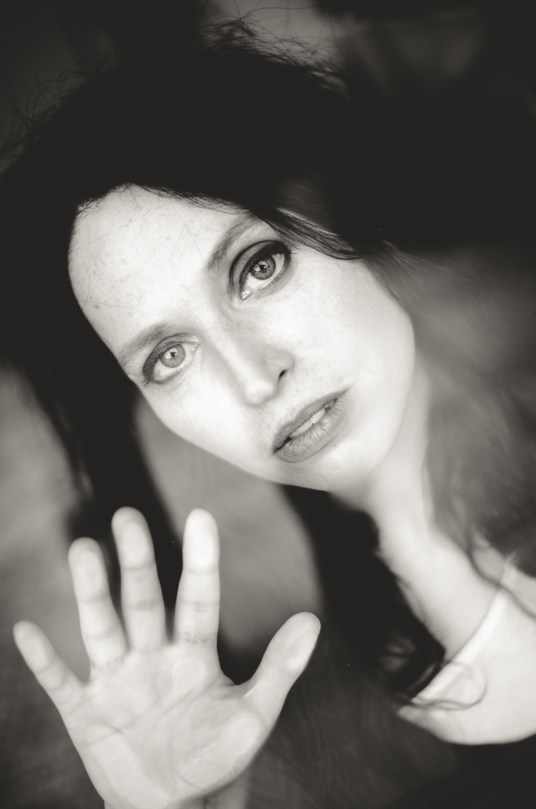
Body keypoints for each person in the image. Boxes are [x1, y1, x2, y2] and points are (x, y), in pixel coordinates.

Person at [3, 21, 536, 808]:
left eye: (259, 266)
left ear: (354, 213)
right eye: (169, 356)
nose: (254, 378)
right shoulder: (318, 679)